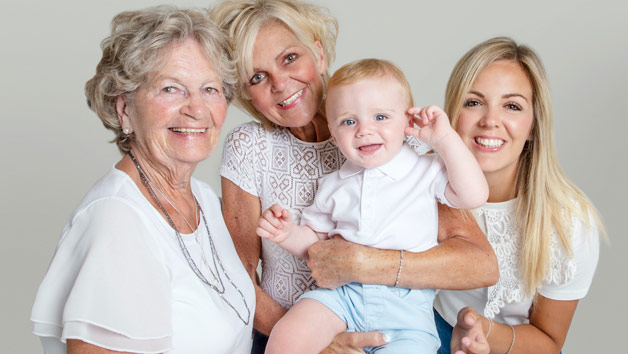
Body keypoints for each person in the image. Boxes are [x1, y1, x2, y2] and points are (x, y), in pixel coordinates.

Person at [211, 1, 498, 353]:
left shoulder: (392, 139)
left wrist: (366, 264)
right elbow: (235, 275)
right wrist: (323, 345)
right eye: (257, 77)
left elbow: (480, 264)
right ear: (245, 92)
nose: (281, 84)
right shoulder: (252, 148)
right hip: (303, 322)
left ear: (318, 54)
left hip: (400, 315)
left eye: (289, 58)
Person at [30, 6, 254, 354]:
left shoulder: (204, 199)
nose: (196, 109)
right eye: (170, 89)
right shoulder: (118, 222)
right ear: (124, 109)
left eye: (209, 89)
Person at [257, 58, 488, 354]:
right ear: (333, 131)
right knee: (289, 334)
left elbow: (474, 195)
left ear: (407, 121)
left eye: (380, 117)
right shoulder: (334, 185)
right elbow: (316, 245)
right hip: (342, 296)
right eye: (349, 121)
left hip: (407, 311)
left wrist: (444, 140)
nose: (364, 131)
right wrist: (286, 234)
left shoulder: (425, 169)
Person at [431, 37, 604, 354]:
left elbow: (550, 341)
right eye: (473, 102)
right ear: (451, 115)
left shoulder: (569, 223)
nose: (490, 121)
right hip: (424, 331)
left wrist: (481, 332)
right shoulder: (417, 182)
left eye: (511, 106)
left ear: (534, 124)